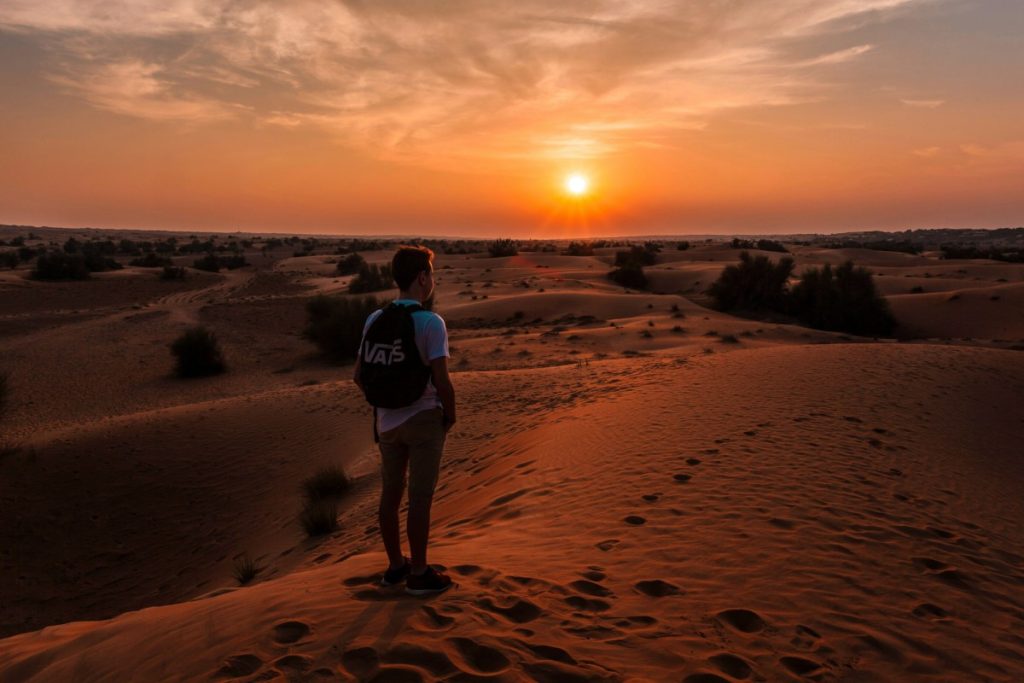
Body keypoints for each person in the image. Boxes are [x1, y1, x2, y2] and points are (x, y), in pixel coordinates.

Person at [354, 245, 456, 595]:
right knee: (420, 497)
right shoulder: (430, 322)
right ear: (422, 278)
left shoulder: (374, 319)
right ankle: (419, 572)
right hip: (424, 418)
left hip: (386, 424)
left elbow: (358, 375)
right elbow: (442, 379)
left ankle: (395, 567)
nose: (432, 281)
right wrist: (450, 414)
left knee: (390, 496)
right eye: (431, 274)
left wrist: (386, 401)